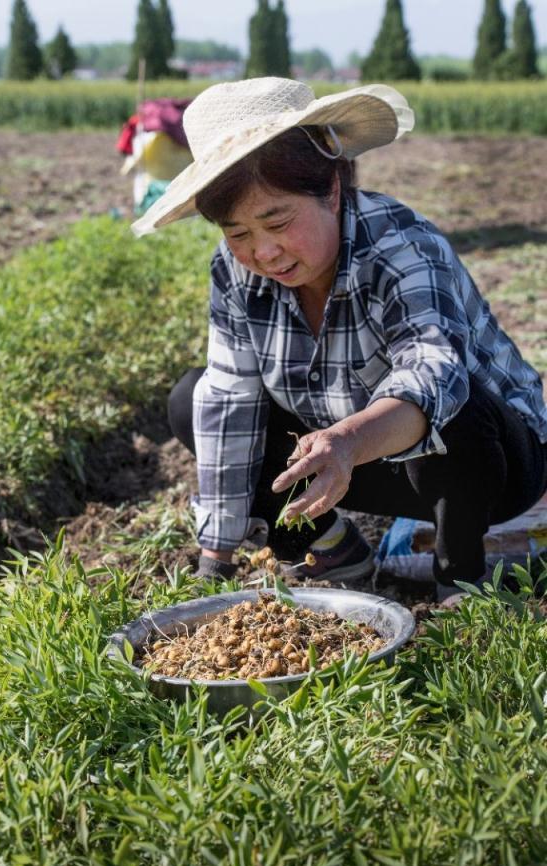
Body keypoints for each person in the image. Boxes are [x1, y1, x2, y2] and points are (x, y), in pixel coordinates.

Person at [132, 77, 547, 604]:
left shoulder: (401, 246)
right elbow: (230, 399)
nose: (264, 253)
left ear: (330, 190)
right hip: (351, 462)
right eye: (237, 233)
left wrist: (348, 440)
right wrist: (214, 562)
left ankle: (459, 579)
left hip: (489, 465)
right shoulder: (233, 274)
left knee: (452, 401)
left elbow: (431, 367)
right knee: (193, 398)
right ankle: (327, 549)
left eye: (276, 221)